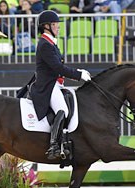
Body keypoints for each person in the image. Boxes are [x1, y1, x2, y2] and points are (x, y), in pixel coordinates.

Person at [29, 10, 91, 160]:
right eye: (55, 25)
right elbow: (58, 68)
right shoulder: (45, 45)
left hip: (55, 84)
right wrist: (78, 74)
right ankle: (53, 146)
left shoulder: (51, 43)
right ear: (47, 26)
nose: (58, 27)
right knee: (62, 109)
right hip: (47, 86)